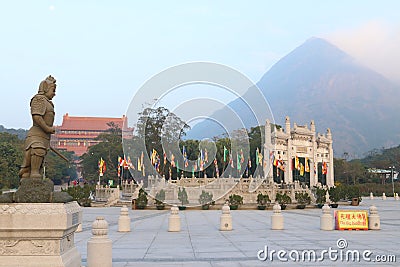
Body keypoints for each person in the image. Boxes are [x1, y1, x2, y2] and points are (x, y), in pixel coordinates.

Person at [19, 75, 57, 179]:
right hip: (36, 134)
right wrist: (47, 129)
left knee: (41, 154)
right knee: (37, 150)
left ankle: (35, 172)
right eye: (53, 90)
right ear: (45, 88)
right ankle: (33, 172)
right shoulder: (39, 99)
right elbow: (37, 117)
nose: (54, 93)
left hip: (44, 136)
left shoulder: (48, 102)